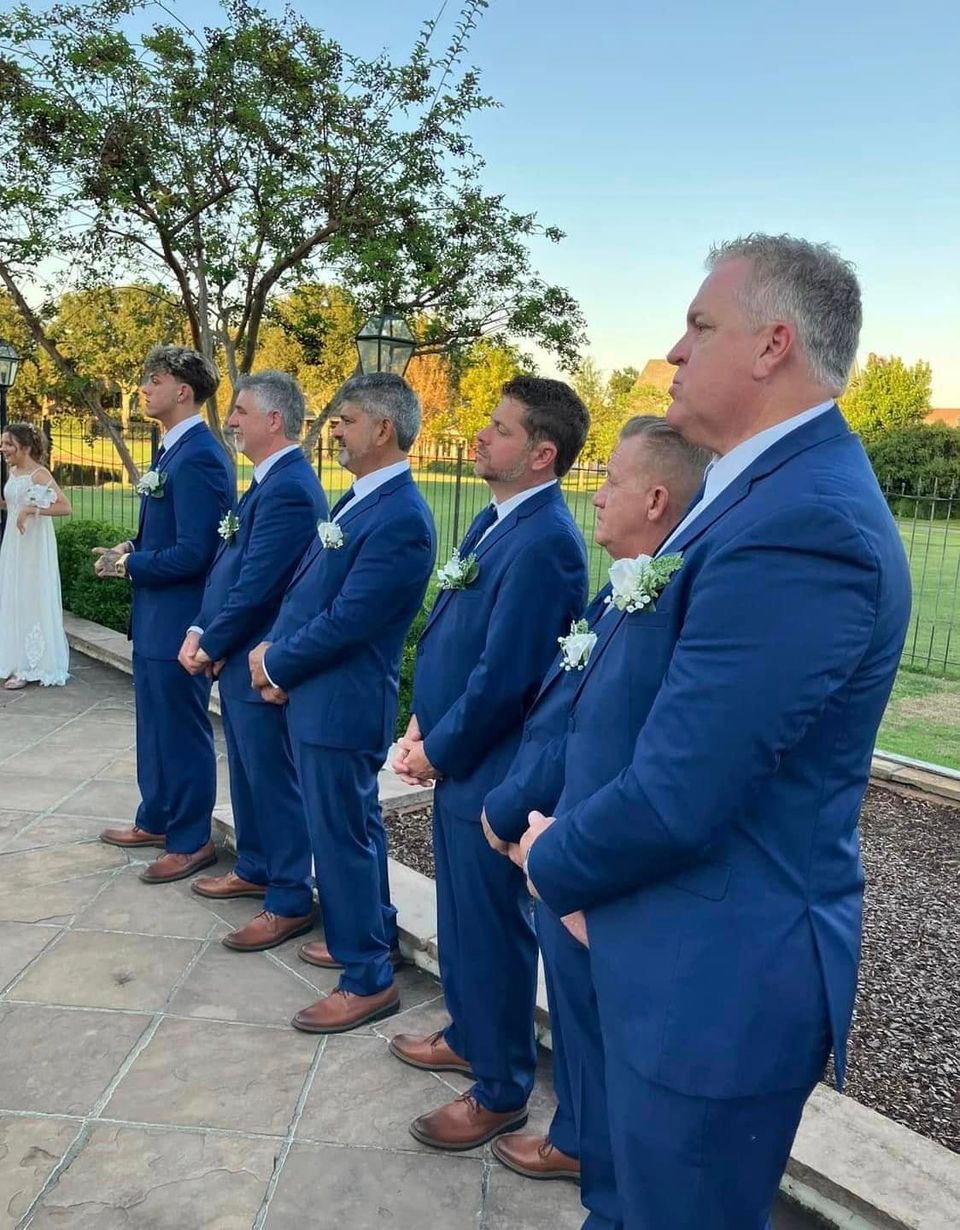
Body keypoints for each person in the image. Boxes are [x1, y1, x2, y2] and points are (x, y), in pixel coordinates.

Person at [514, 235, 912, 1230]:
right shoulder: (750, 491)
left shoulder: (807, 522)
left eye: (699, 325)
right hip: (666, 937)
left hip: (717, 977)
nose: (674, 351)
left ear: (773, 345)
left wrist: (555, 856)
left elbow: (685, 786)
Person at [481, 417, 709, 1224]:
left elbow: (661, 761)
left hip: (601, 867)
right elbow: (563, 715)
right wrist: (512, 810)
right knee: (577, 1028)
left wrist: (565, 854)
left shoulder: (677, 596)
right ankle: (577, 1140)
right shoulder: (620, 584)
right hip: (559, 841)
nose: (594, 491)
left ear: (654, 497)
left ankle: (603, 1181)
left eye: (609, 479)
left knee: (609, 1046)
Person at [390, 376, 589, 1152]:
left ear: (542, 453)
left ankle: (502, 1088)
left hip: (493, 768)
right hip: (455, 756)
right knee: (464, 923)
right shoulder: (490, 520)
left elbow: (507, 677)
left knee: (494, 930)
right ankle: (471, 1033)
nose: (480, 436)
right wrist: (420, 723)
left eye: (500, 429)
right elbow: (455, 640)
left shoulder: (546, 543)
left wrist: (439, 749)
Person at [248, 372, 436, 1033]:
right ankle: (369, 932)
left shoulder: (402, 518)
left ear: (383, 429)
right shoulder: (357, 500)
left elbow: (352, 619)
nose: (332, 430)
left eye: (345, 420)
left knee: (343, 836)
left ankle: (367, 977)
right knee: (347, 831)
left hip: (343, 701)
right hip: (315, 693)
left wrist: (274, 660)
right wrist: (280, 654)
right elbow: (311, 595)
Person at [179, 371, 328, 952]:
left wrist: (213, 643)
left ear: (274, 420)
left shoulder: (290, 486)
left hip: (258, 658)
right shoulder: (265, 481)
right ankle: (258, 866)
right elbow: (230, 569)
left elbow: (260, 586)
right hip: (236, 654)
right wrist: (203, 628)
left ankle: (289, 897)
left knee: (272, 780)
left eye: (240, 411)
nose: (231, 421)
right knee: (246, 770)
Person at [98, 345, 233, 885]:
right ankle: (156, 816)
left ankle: (191, 839)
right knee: (153, 728)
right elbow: (165, 534)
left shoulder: (199, 453)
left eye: (153, 379)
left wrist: (135, 565)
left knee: (181, 732)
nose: (144, 388)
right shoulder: (168, 450)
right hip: (154, 617)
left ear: (183, 389)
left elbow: (198, 551)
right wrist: (128, 546)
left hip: (179, 619)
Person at [0, 423, 72, 689]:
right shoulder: (13, 470)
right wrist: (8, 506)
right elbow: (16, 501)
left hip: (33, 546)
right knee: (13, 595)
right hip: (14, 543)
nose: (3, 448)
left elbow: (65, 507)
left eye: (8, 444)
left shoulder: (40, 474)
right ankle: (13, 658)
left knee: (30, 595)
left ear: (25, 447)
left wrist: (31, 511)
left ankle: (30, 666)